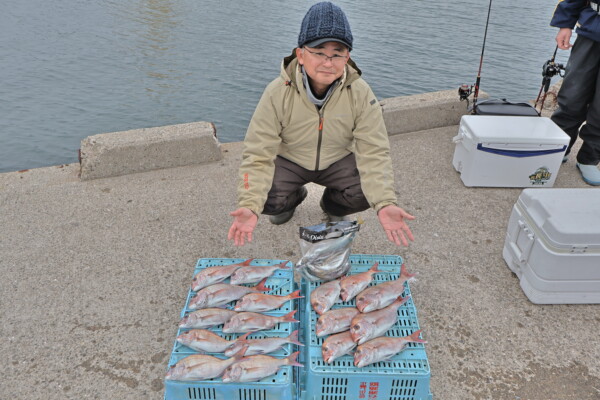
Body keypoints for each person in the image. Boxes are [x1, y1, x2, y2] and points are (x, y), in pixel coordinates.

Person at [227, 2, 415, 246]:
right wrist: (249, 205)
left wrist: (385, 202)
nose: (328, 62)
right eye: (318, 51)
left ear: (347, 57)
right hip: (291, 160)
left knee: (366, 192)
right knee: (266, 200)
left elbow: (374, 151)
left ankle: (332, 204)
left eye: (337, 53)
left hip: (337, 160)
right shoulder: (276, 92)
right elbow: (257, 152)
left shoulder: (360, 92)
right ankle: (292, 198)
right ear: (301, 54)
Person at [550, 0, 600, 185]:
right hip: (591, 32)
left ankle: (589, 159)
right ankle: (557, 147)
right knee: (572, 95)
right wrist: (565, 24)